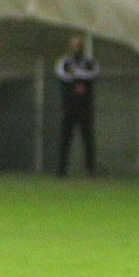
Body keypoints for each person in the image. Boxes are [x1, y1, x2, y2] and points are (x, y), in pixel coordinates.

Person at [55, 34, 99, 177]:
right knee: (65, 139)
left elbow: (93, 74)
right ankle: (61, 171)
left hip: (85, 108)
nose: (77, 47)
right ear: (70, 46)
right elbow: (62, 74)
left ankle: (90, 170)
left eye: (79, 44)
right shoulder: (64, 62)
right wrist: (80, 75)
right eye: (74, 44)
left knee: (88, 140)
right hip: (69, 108)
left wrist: (76, 74)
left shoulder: (89, 62)